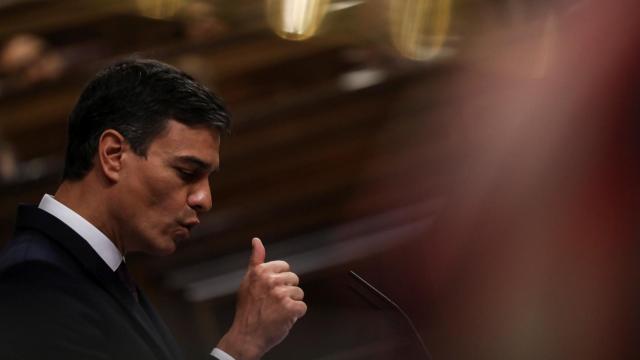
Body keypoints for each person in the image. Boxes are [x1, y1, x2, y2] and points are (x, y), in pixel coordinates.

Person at [0, 58, 307, 360]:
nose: (204, 199)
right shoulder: (35, 280)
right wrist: (241, 345)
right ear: (113, 154)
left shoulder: (90, 265)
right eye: (187, 172)